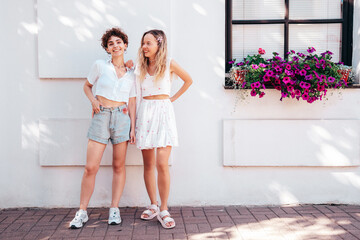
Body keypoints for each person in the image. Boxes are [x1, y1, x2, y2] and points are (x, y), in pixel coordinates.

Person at [69, 27, 136, 229]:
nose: (115, 46)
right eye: (110, 44)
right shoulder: (99, 65)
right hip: (101, 115)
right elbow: (86, 86)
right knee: (91, 167)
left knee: (118, 166)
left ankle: (114, 209)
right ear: (107, 49)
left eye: (118, 42)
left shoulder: (133, 73)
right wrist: (93, 102)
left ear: (125, 45)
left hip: (122, 118)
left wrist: (133, 128)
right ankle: (82, 211)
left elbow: (132, 101)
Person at [134, 29, 193, 229]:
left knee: (162, 163)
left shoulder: (169, 63)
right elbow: (133, 92)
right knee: (148, 164)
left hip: (163, 113)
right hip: (145, 113)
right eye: (143, 43)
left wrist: (172, 99)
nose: (144, 47)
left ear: (159, 44)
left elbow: (189, 80)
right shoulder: (140, 67)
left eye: (149, 43)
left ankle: (165, 208)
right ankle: (153, 205)